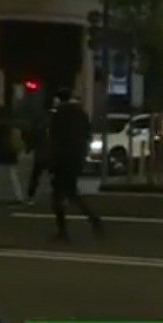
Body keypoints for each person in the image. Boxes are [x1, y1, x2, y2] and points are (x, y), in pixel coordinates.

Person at [48, 88, 103, 241]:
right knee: (71, 192)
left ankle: (64, 231)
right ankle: (93, 220)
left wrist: (52, 161)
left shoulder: (59, 115)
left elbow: (55, 139)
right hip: (77, 158)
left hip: (63, 159)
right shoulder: (81, 113)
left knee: (59, 196)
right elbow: (87, 135)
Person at [27, 100, 57, 204]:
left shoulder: (40, 120)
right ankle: (58, 196)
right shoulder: (55, 119)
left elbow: (33, 134)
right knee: (54, 175)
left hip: (40, 152)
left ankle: (31, 195)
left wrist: (30, 147)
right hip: (51, 152)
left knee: (36, 175)